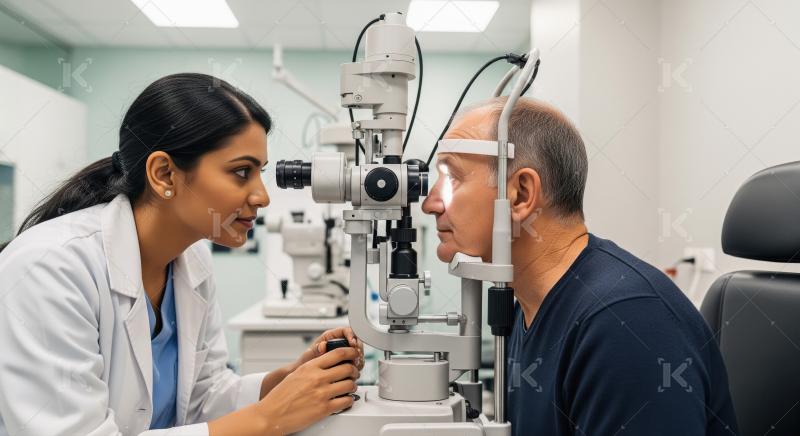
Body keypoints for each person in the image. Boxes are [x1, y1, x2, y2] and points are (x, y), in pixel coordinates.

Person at [0, 73, 363, 436]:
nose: (262, 196)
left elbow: (201, 398)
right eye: (241, 172)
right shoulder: (50, 267)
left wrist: (282, 383)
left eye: (260, 173)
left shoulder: (192, 261)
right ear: (164, 175)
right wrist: (269, 418)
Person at [421, 96, 738, 435]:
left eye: (452, 178)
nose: (430, 204)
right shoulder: (525, 310)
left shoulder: (624, 323)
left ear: (520, 195)